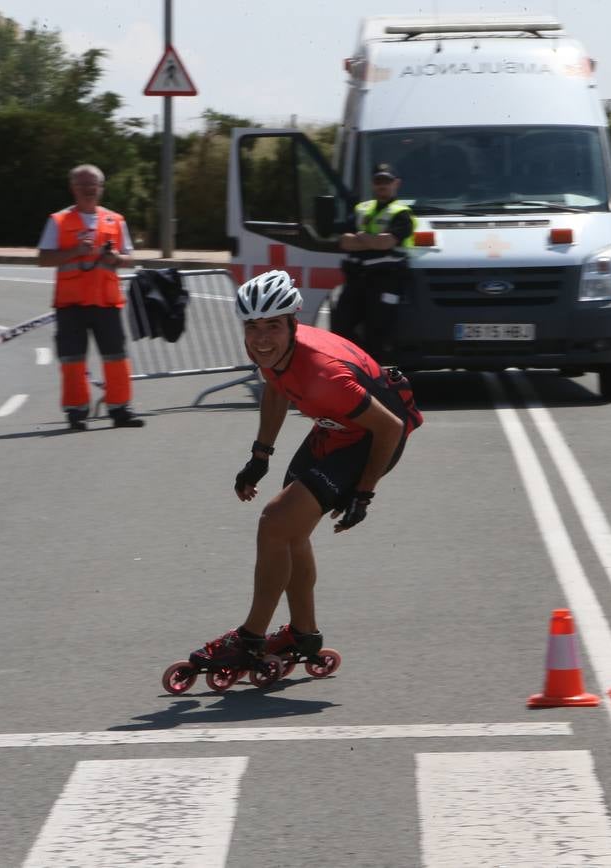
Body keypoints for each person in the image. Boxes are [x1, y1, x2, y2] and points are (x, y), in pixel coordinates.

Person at [184, 269, 423, 673]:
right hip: (333, 431)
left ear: (293, 324)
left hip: (371, 441)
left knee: (275, 522)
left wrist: (364, 493)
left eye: (272, 326)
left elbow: (391, 427)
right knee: (289, 530)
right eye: (252, 326)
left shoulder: (326, 375)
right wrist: (260, 457)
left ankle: (250, 639)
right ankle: (304, 633)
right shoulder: (272, 352)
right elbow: (276, 388)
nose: (260, 338)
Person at [37, 164, 145, 430]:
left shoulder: (115, 220)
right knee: (72, 359)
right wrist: (75, 250)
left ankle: (120, 409)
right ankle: (76, 412)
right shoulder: (59, 221)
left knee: (116, 357)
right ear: (73, 188)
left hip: (106, 302)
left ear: (101, 188)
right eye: (82, 185)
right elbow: (43, 258)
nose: (88, 190)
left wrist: (116, 258)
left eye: (92, 185)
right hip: (70, 304)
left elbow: (129, 258)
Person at [331, 163, 417, 361]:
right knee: (340, 329)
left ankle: (379, 382)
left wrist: (360, 237)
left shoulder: (402, 213)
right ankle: (351, 372)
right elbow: (344, 242)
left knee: (378, 335)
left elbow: (387, 242)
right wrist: (372, 241)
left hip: (386, 282)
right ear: (372, 184)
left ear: (396, 184)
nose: (382, 186)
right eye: (378, 181)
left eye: (386, 181)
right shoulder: (362, 209)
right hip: (357, 281)